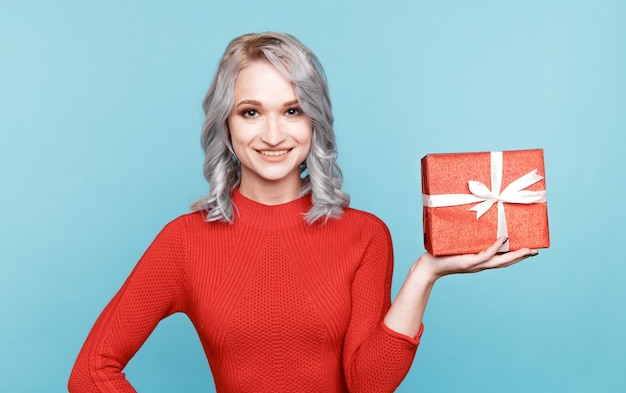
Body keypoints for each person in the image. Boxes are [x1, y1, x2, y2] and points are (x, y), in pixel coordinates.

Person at [68, 32, 538, 393]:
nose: (273, 135)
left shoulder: (364, 235)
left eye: (292, 110)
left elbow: (368, 384)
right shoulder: (184, 242)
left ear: (315, 121)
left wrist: (425, 274)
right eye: (251, 112)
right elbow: (91, 372)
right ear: (225, 126)